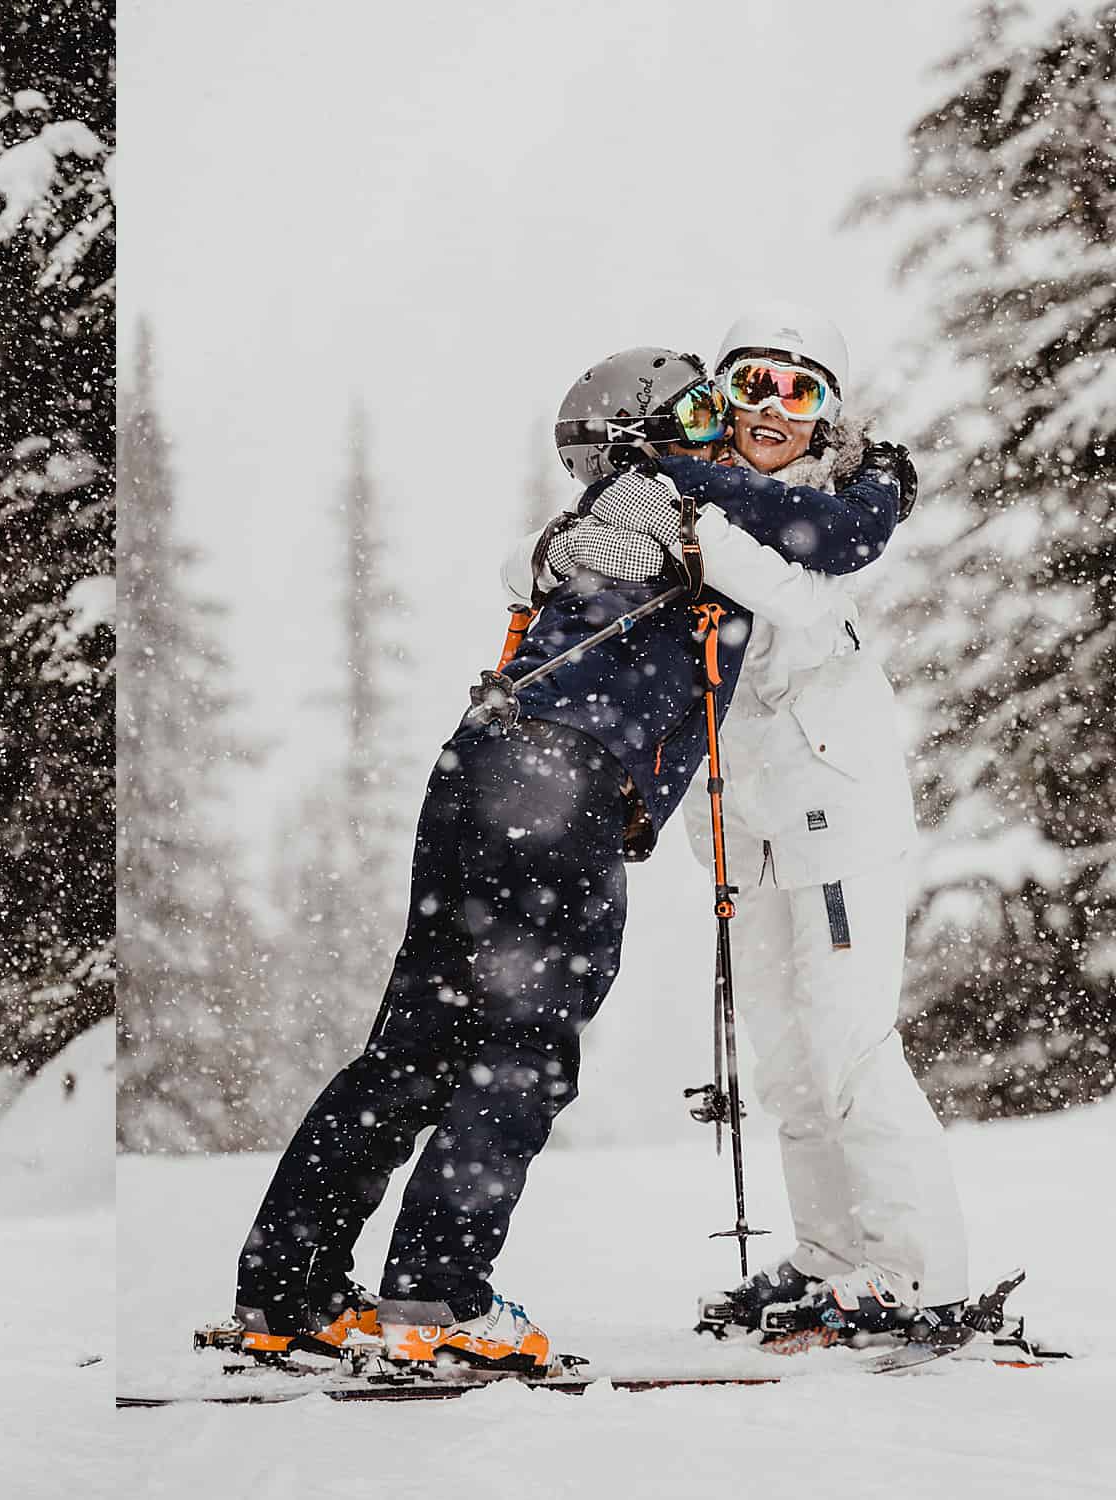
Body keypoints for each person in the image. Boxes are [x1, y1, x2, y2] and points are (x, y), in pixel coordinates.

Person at [225, 349, 914, 1374]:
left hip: (484, 767)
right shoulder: (675, 493)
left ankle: (289, 1289)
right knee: (523, 1045)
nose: (717, 417)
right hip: (556, 786)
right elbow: (834, 535)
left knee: (415, 1046)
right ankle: (440, 1297)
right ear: (644, 430)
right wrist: (881, 478)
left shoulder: (622, 509)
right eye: (693, 404)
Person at [519, 305, 969, 1344]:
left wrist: (684, 521)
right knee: (788, 1069)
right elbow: (527, 565)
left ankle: (917, 1276)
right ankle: (829, 1260)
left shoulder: (850, 513)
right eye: (750, 385)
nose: (770, 409)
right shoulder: (687, 491)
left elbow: (796, 606)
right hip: (741, 833)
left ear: (826, 418)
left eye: (798, 391)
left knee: (851, 1053)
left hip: (838, 821)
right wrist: (592, 536)